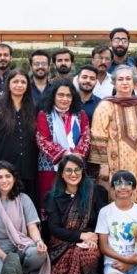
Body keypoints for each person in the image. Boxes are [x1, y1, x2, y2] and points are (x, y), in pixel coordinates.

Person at [0, 161, 51, 274]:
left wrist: (39, 241)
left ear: (14, 178)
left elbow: (32, 226)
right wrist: (4, 257)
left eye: (8, 176)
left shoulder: (24, 199)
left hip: (21, 245)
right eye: (0, 177)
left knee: (39, 253)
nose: (4, 180)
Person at [89, 66, 137, 204]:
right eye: (120, 79)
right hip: (113, 165)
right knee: (113, 200)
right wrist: (103, 165)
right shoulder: (106, 105)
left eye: (128, 79)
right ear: (114, 83)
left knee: (136, 199)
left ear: (134, 82)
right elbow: (98, 135)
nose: (124, 82)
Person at [42, 154, 108, 274]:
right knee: (78, 252)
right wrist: (81, 236)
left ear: (82, 171)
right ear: (61, 174)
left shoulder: (94, 192)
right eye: (68, 170)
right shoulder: (52, 197)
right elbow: (54, 228)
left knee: (88, 252)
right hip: (61, 242)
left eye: (77, 170)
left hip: (90, 239)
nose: (73, 174)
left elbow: (102, 221)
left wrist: (93, 237)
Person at [0, 69, 40, 201]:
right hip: (3, 168)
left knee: (27, 204)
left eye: (23, 82)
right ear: (8, 84)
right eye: (15, 81)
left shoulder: (34, 108)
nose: (19, 85)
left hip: (28, 168)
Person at [36, 78, 91, 208]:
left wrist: (76, 155)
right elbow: (42, 140)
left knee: (76, 201)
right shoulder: (44, 115)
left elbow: (86, 137)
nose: (64, 99)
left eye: (68, 95)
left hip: (76, 166)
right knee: (51, 202)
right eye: (60, 95)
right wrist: (65, 154)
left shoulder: (80, 114)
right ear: (53, 96)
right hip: (50, 167)